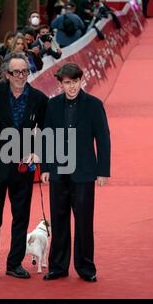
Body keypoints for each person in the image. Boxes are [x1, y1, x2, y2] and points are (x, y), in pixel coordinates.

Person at [41, 63, 111, 282]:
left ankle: (86, 268)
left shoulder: (94, 105)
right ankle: (58, 266)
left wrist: (103, 170)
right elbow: (46, 138)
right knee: (59, 220)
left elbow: (103, 138)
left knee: (84, 222)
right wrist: (45, 167)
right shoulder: (52, 105)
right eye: (67, 83)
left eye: (75, 82)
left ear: (82, 80)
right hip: (58, 172)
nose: (72, 87)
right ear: (61, 84)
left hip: (84, 172)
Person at [0, 52, 48, 280]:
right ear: (7, 74)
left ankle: (14, 263)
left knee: (20, 217)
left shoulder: (39, 99)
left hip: (23, 168)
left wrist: (37, 152)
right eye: (17, 72)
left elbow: (46, 131)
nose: (21, 76)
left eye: (25, 71)